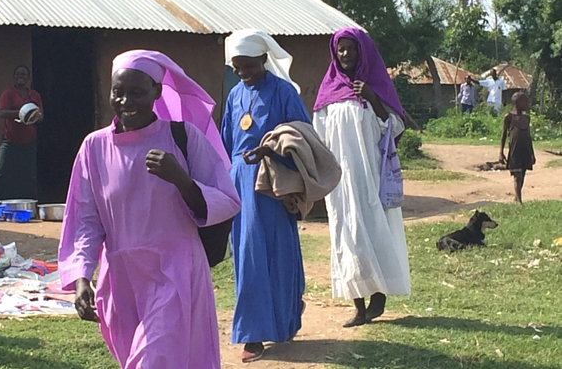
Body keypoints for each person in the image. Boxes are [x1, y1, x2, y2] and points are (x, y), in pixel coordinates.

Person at [58, 50, 240, 369]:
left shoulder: (182, 137)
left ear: (157, 91)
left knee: (152, 360)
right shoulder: (94, 147)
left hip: (175, 272)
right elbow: (84, 220)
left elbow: (227, 199)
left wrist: (181, 179)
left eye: (137, 92)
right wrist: (82, 278)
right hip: (121, 279)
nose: (126, 100)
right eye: (119, 92)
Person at [221, 30, 311, 362]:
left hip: (273, 182)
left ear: (263, 59)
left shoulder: (283, 91)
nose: (243, 72)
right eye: (237, 67)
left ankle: (286, 318)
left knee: (279, 253)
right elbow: (227, 140)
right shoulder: (233, 97)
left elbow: (302, 134)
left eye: (248, 65)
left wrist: (271, 148)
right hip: (242, 184)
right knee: (248, 257)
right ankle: (253, 335)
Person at [312, 27, 411, 328]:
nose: (345, 55)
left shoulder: (376, 86)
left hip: (371, 178)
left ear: (362, 52)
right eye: (340, 49)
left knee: (375, 230)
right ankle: (357, 304)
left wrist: (372, 98)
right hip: (341, 182)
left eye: (351, 49)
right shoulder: (328, 91)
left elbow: (394, 128)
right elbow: (319, 136)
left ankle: (378, 297)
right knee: (346, 236)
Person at [0, 65, 43, 204]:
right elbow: (2, 112)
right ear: (14, 77)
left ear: (28, 78)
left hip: (29, 141)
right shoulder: (9, 93)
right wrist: (21, 113)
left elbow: (40, 116)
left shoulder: (34, 95)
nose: (20, 76)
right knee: (1, 172)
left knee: (28, 175)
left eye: (24, 74)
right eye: (18, 74)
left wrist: (33, 116)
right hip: (10, 140)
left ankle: (31, 204)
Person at [500, 92, 535, 204]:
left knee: (523, 173)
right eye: (525, 101)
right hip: (515, 150)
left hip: (525, 150)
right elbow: (504, 135)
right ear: (517, 103)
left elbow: (528, 137)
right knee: (517, 176)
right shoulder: (509, 117)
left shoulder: (526, 118)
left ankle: (517, 196)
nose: (527, 104)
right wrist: (501, 152)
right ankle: (519, 201)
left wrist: (532, 153)